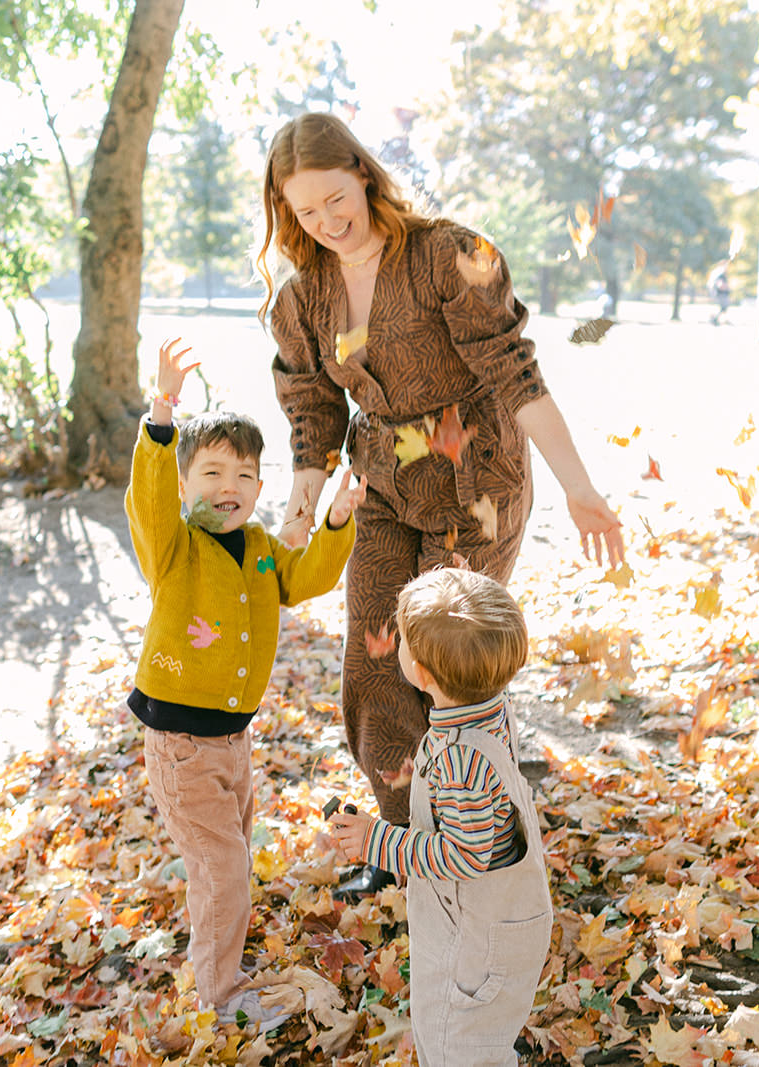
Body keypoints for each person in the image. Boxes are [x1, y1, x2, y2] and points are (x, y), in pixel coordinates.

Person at [256, 111, 623, 898]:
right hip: (382, 483)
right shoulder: (304, 299)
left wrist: (579, 484)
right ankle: (405, 848)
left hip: (475, 479)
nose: (325, 221)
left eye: (334, 198)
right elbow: (312, 415)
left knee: (448, 661)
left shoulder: (447, 254)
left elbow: (514, 374)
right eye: (305, 211)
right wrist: (296, 515)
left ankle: (478, 833)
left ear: (362, 170)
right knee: (375, 659)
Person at [126, 337, 366, 1025]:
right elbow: (147, 499)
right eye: (210, 473)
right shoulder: (173, 547)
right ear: (184, 484)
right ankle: (220, 996)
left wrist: (338, 519)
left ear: (260, 487)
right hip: (180, 743)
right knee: (223, 868)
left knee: (226, 865)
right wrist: (162, 409)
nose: (227, 488)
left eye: (242, 475)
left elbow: (306, 577)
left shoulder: (260, 550)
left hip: (233, 742)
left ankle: (219, 965)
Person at [328, 567, 551, 1067]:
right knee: (479, 1040)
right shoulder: (490, 708)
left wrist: (377, 840)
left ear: (422, 674)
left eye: (404, 642)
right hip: (499, 921)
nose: (398, 648)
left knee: (458, 1046)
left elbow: (464, 854)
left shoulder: (457, 761)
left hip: (472, 940)